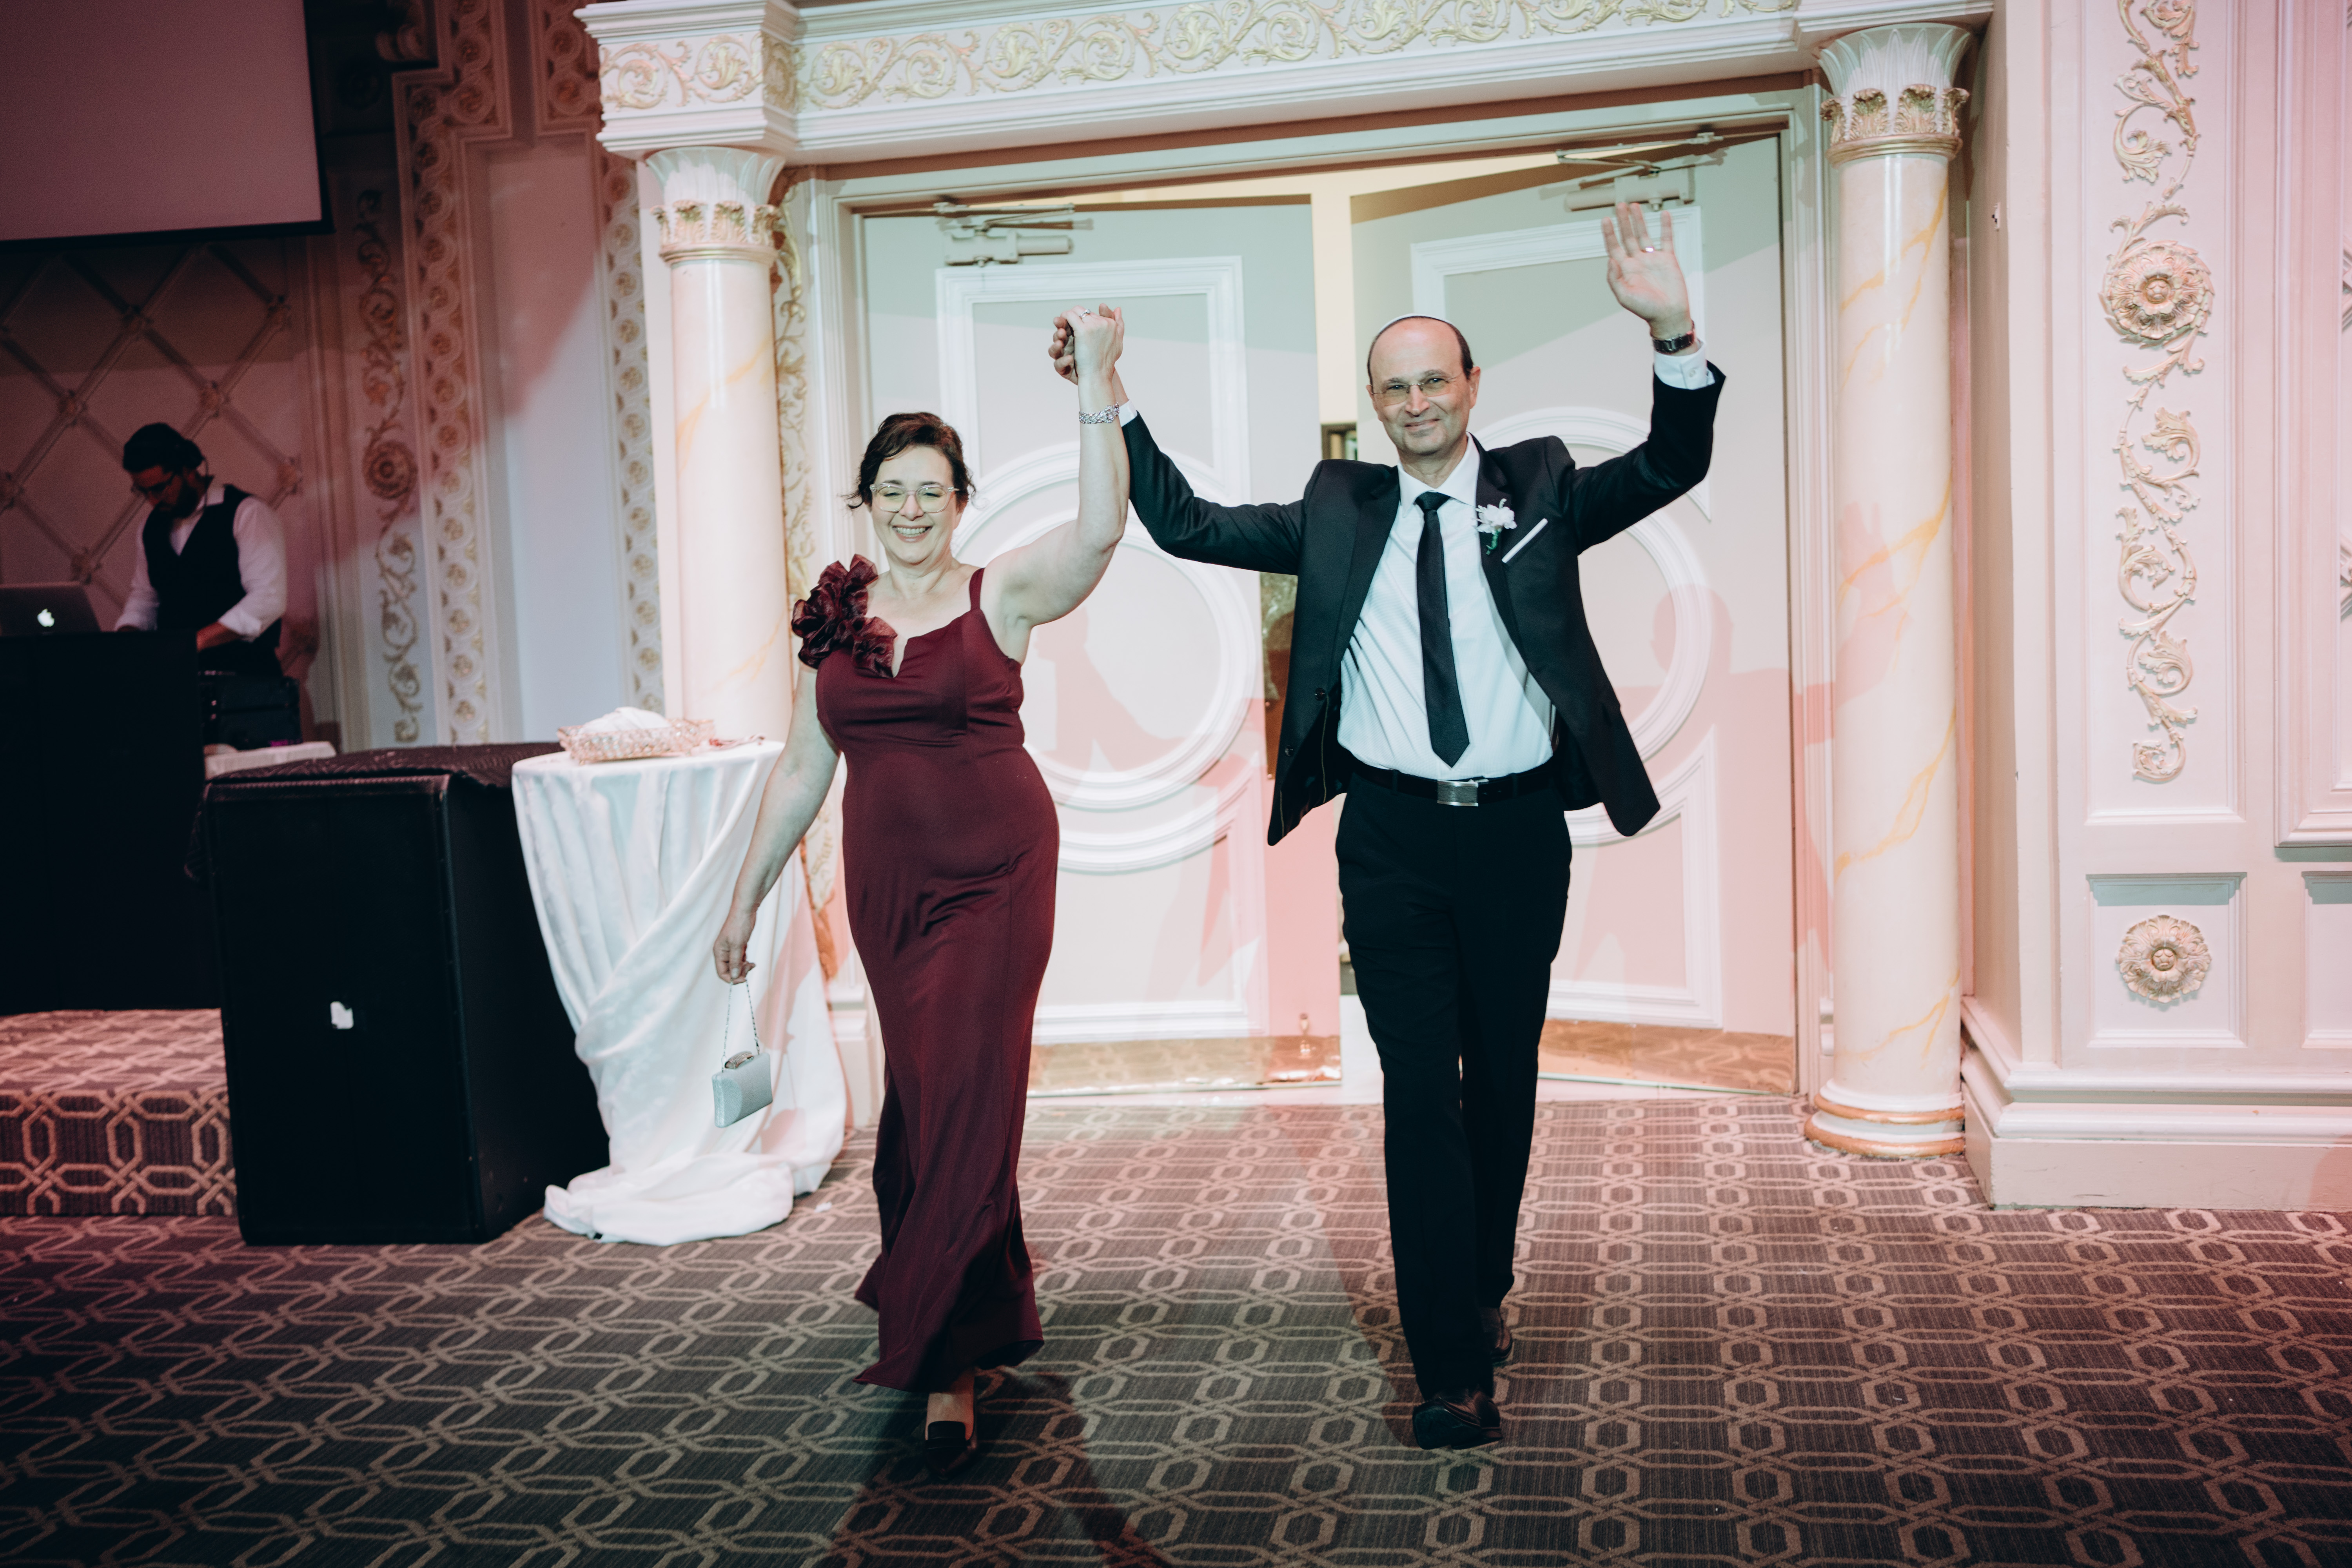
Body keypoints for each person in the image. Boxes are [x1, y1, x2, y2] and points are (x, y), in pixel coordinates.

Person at [1048, 202, 1723, 1451]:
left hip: (1516, 836)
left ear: (1472, 385)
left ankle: (1482, 1278)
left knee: (1501, 1080)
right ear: (1373, 403)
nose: (1415, 403)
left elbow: (1669, 467)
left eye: (1433, 380)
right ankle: (1449, 1366)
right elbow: (1187, 522)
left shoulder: (1540, 486)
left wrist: (1671, 330)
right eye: (1393, 387)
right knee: (1419, 1094)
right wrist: (1113, 389)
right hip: (1392, 843)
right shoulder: (1339, 507)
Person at [713, 309, 1133, 1477]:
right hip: (888, 893)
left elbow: (1102, 527)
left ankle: (942, 1357)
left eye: (930, 491)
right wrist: (745, 899)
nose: (911, 508)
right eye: (892, 490)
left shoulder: (1001, 596)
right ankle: (984, 1313)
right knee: (925, 1103)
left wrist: (1097, 384)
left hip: (997, 877)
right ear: (867, 500)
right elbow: (802, 768)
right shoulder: (833, 621)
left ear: (959, 501)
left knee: (962, 1098)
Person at [114, 424, 287, 676]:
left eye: (160, 488)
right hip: (178, 678)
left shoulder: (247, 513)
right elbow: (145, 597)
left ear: (188, 470)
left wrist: (198, 641)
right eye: (143, 491)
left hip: (246, 677)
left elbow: (268, 598)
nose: (152, 501)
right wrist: (126, 637)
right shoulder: (150, 527)